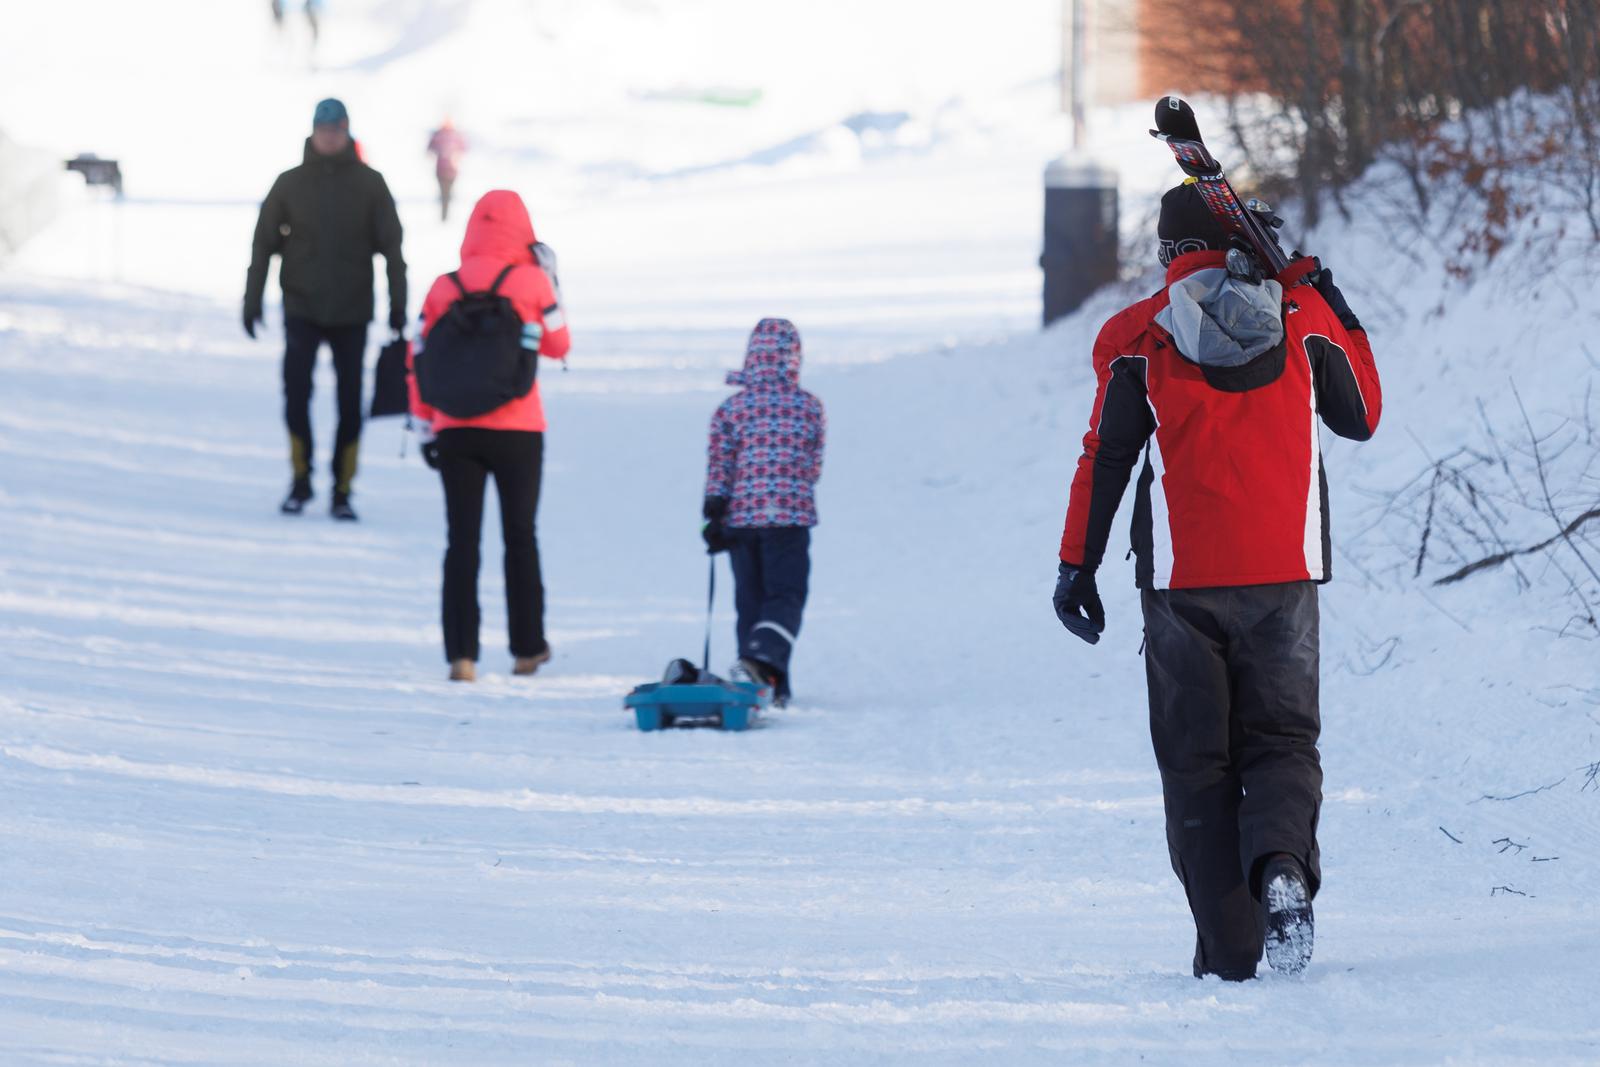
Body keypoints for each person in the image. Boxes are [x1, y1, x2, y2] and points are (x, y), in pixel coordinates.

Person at [1052, 183, 1381, 981]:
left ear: (1169, 252)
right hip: (1283, 573)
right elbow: (1362, 413)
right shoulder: (1300, 319)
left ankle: (1230, 951)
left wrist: (1077, 565)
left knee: (1197, 762)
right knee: (1281, 741)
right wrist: (1329, 297)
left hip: (1181, 582)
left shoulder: (1136, 335)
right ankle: (1281, 868)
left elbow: (1107, 457)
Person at [408, 189, 570, 683]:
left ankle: (462, 655)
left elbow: (416, 357)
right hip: (519, 428)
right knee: (521, 537)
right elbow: (559, 343)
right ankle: (526, 649)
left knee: (461, 541)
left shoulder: (442, 286)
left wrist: (424, 423)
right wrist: (550, 284)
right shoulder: (531, 280)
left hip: (454, 428)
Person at [244, 97, 406, 521]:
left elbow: (392, 249)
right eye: (323, 129)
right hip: (302, 306)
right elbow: (263, 244)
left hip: (352, 311)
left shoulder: (371, 184)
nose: (329, 136)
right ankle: (301, 480)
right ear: (314, 131)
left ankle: (342, 488)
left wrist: (398, 306)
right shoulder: (290, 183)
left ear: (347, 131)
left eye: (336, 129)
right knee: (296, 394)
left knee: (351, 402)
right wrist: (252, 299)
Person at [701, 318, 826, 706]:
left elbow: (720, 466)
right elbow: (813, 466)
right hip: (789, 517)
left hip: (741, 519)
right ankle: (763, 662)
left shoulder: (731, 409)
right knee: (786, 595)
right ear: (793, 359)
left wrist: (714, 513)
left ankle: (757, 682)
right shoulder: (809, 407)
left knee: (750, 599)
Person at [427, 118, 468, 222]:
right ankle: (444, 215)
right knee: (444, 192)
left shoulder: (455, 136)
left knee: (447, 192)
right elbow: (429, 150)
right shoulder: (438, 136)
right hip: (441, 169)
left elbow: (463, 149)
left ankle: (445, 214)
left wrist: (457, 157)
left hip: (451, 170)